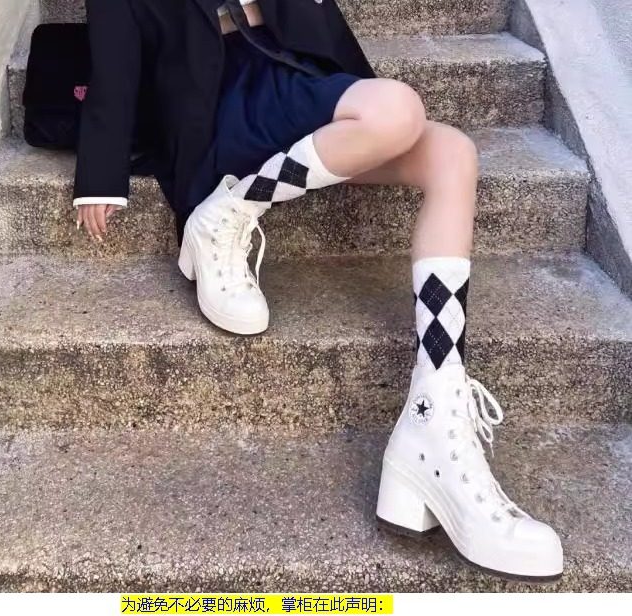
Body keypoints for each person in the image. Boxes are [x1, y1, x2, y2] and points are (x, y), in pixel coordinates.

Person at [73, 0, 564, 580]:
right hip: (214, 104)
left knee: (452, 154)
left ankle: (435, 413)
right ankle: (227, 208)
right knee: (397, 109)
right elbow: (114, 64)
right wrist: (99, 177)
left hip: (293, 76)